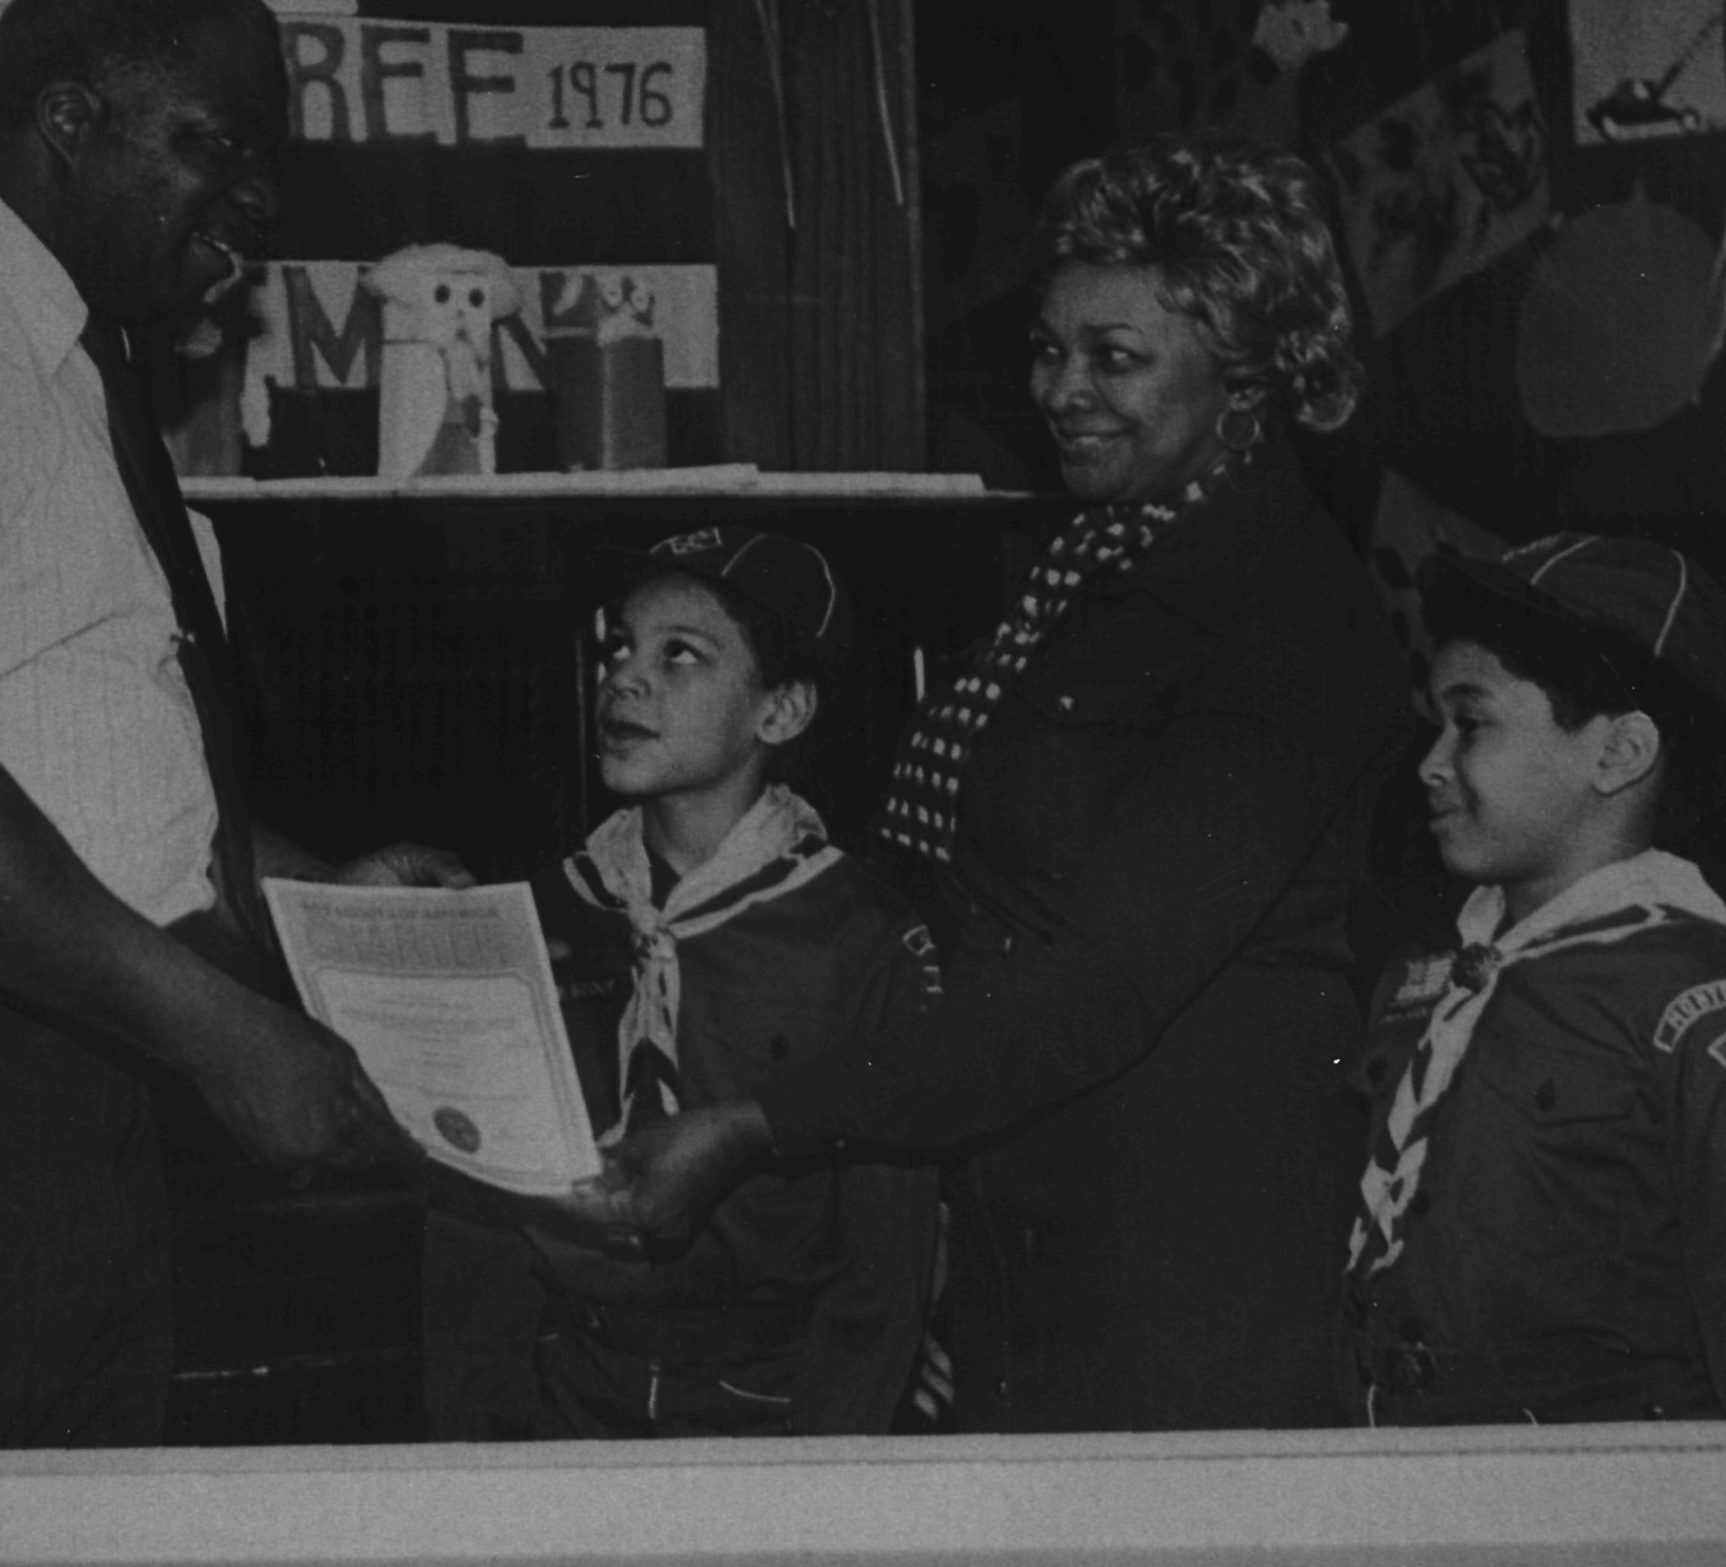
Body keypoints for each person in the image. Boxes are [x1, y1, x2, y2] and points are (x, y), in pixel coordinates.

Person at [0, 0, 456, 1455]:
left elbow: (69, 753)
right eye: (218, 143)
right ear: (68, 119)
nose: (258, 199)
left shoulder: (70, 367)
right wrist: (219, 1033)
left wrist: (316, 896)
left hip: (60, 1086)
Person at [585, 136, 1408, 1431]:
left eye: (1115, 358)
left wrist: (759, 1122)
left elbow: (1092, 981)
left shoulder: (1291, 623)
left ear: (1248, 375)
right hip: (1016, 1217)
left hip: (1184, 1265)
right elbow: (940, 899)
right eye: (1048, 348)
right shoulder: (1090, 566)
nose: (1061, 391)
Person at [424, 529, 944, 1439]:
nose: (622, 678)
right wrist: (481, 1445)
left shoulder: (857, 937)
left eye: (680, 655)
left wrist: (832, 1468)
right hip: (570, 1389)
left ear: (779, 710)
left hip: (769, 1406)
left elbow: (882, 1267)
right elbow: (476, 1222)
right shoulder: (549, 912)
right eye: (619, 646)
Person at [1339, 533, 1726, 1423]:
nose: (1430, 761)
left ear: (1618, 754)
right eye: (1435, 723)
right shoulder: (1423, 970)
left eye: (1471, 722)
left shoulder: (1694, 1006)